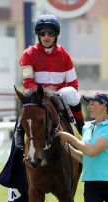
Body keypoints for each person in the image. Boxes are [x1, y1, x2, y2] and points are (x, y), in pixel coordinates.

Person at [15, 14, 84, 149]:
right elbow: (28, 83)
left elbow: (73, 85)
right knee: (26, 98)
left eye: (50, 33)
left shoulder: (64, 55)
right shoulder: (28, 54)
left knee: (72, 93)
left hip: (59, 96)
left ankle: (81, 127)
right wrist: (45, 91)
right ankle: (19, 132)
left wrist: (54, 93)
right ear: (38, 35)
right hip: (37, 96)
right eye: (42, 33)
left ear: (56, 35)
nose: (46, 36)